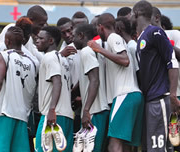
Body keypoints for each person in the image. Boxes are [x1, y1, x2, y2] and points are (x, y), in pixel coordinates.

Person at [88, 13, 144, 152]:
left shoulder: (113, 37)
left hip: (124, 95)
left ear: (101, 27)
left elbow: (124, 60)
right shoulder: (117, 41)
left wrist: (98, 49)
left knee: (114, 143)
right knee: (126, 145)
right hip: (133, 96)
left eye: (97, 28)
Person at [131, 1, 180, 151]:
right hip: (150, 100)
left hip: (160, 98)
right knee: (153, 148)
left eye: (131, 14)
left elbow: (172, 61)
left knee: (160, 149)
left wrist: (172, 95)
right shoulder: (140, 39)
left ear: (137, 14)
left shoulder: (155, 32)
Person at [0, 26, 38, 152]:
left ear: (7, 42)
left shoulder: (3, 56)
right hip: (22, 116)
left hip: (4, 112)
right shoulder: (33, 62)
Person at [35, 26, 74, 152]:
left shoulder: (50, 57)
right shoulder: (63, 59)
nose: (37, 40)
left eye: (41, 38)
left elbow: (57, 82)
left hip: (52, 115)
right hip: (67, 115)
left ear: (51, 41)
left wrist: (51, 110)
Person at [73, 23, 110, 152]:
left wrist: (86, 110)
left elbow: (94, 81)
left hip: (95, 110)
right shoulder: (95, 50)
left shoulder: (86, 51)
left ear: (81, 35)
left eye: (74, 36)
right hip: (100, 109)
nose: (72, 40)